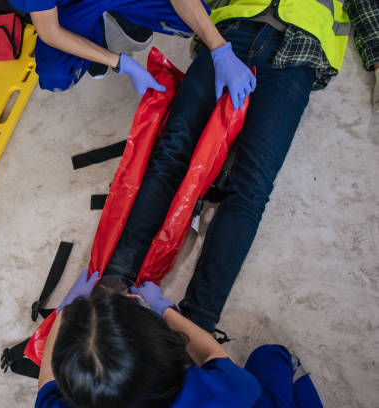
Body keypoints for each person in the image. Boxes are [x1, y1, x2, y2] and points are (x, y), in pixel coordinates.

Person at [102, 0, 379, 334]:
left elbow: (366, 7)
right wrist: (218, 49)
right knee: (172, 155)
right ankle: (116, 279)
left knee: (251, 188)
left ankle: (198, 321)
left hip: (298, 54)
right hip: (229, 34)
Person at [35, 270, 323, 407]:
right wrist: (163, 308)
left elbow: (46, 385)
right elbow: (213, 356)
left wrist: (64, 316)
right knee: (271, 356)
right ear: (168, 348)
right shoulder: (215, 391)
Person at [8, 0, 256, 107]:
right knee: (56, 75)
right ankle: (97, 32)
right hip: (68, 6)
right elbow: (50, 31)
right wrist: (118, 62)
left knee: (191, 20)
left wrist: (220, 49)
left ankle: (122, 19)